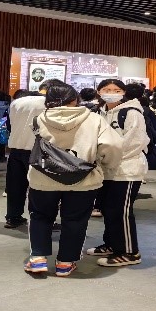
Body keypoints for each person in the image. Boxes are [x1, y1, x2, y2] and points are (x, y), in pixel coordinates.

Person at [24, 83, 122, 276]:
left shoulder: (38, 119)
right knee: (75, 220)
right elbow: (113, 145)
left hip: (43, 178)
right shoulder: (94, 119)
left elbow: (31, 148)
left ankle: (38, 259)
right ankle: (65, 263)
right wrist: (107, 165)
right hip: (82, 178)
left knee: (40, 217)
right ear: (75, 99)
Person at [86, 79, 149, 267]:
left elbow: (134, 142)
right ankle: (112, 244)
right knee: (108, 209)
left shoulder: (131, 112)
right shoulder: (99, 111)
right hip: (106, 169)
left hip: (127, 170)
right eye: (107, 89)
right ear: (99, 91)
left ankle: (129, 252)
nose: (111, 93)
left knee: (121, 211)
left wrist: (108, 157)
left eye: (116, 90)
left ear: (123, 92)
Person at [4, 79, 62, 228]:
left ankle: (13, 217)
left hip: (16, 149)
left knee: (15, 187)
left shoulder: (17, 102)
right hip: (41, 151)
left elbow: (9, 125)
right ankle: (42, 220)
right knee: (41, 188)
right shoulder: (52, 103)